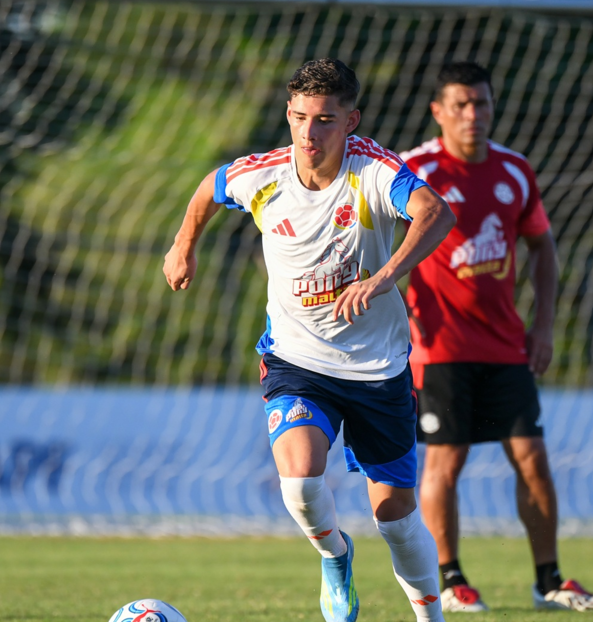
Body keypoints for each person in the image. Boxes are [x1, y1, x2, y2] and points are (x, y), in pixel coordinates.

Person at [163, 58, 456, 622]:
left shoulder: (372, 172)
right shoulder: (264, 174)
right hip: (296, 360)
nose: (308, 133)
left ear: (352, 120)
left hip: (376, 368)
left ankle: (430, 618)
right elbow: (210, 186)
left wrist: (383, 277)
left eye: (325, 120)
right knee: (299, 481)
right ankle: (334, 556)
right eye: (299, 117)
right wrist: (184, 245)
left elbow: (435, 214)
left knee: (395, 519)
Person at [401, 62, 593, 614]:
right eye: (462, 104)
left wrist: (542, 327)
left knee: (533, 458)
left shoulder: (515, 170)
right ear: (439, 112)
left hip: (504, 346)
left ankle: (550, 581)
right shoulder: (413, 170)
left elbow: (543, 247)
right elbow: (374, 241)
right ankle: (451, 580)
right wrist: (397, 311)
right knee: (446, 462)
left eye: (483, 104)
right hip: (439, 346)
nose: (474, 115)